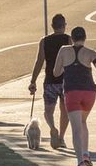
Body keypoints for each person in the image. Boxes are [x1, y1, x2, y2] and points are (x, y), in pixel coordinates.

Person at [52, 27, 96, 166]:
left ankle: (80, 161)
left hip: (72, 92)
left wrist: (65, 67)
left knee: (75, 129)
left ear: (71, 38)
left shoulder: (63, 50)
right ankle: (86, 154)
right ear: (85, 37)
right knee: (83, 121)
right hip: (89, 93)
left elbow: (56, 72)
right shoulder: (90, 52)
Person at [28, 12, 70, 149]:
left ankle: (52, 127)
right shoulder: (68, 40)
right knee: (65, 111)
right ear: (64, 26)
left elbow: (39, 61)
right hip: (65, 80)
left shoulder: (44, 41)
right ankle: (62, 138)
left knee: (48, 111)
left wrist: (33, 81)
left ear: (52, 26)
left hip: (50, 81)